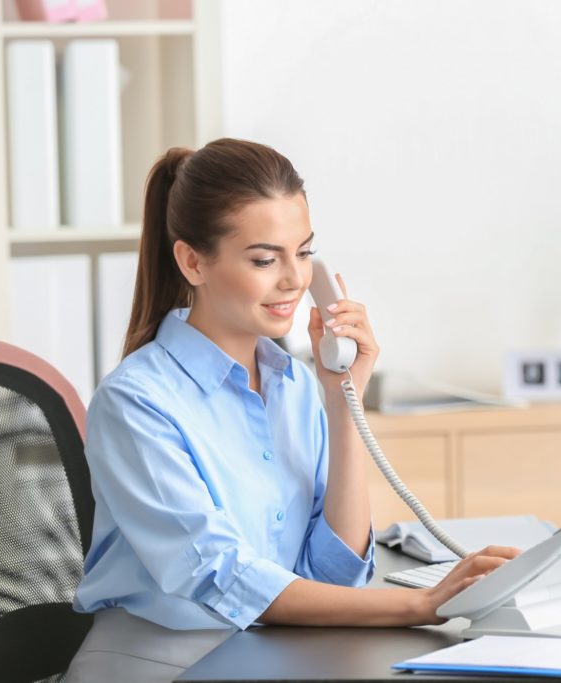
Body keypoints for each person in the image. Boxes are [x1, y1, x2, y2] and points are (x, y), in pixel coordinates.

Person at [65, 138, 519, 681]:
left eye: (303, 253)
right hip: (162, 663)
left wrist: (341, 395)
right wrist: (424, 604)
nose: (294, 280)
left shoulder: (299, 386)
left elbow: (335, 574)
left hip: (274, 653)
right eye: (264, 259)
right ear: (192, 261)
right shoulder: (135, 403)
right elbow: (222, 576)